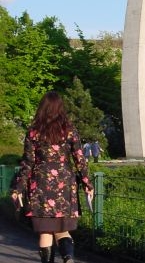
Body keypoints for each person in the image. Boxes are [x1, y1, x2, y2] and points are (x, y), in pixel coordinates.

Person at [10, 91, 94, 263]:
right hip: (64, 186)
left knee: (46, 232)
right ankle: (68, 257)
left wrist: (18, 188)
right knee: (63, 231)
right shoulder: (69, 130)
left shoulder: (34, 132)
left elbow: (27, 162)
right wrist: (87, 184)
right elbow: (80, 159)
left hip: (40, 186)